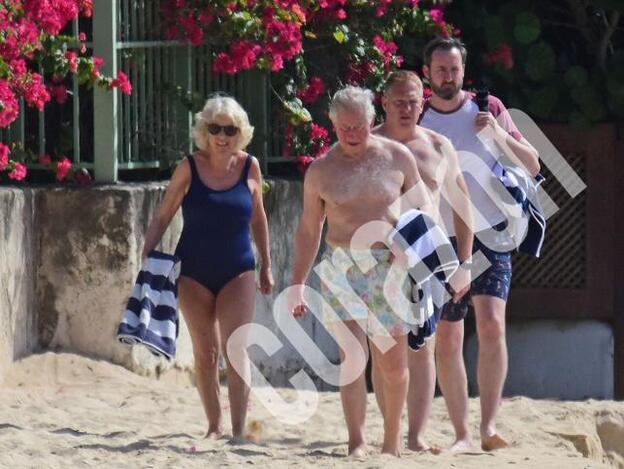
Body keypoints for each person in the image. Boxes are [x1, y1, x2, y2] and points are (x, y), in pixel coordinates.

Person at [289, 85, 434, 457]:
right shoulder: (321, 171)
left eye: (360, 126)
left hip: (390, 268)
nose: (352, 135)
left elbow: (425, 209)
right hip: (341, 266)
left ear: (372, 121)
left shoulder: (397, 157)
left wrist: (412, 251)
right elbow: (309, 230)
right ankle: (356, 440)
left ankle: (391, 441)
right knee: (351, 359)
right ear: (333, 124)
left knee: (393, 363)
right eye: (344, 127)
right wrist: (297, 285)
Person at [419, 36, 540, 452]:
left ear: (462, 72)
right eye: (441, 70)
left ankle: (489, 427)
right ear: (427, 74)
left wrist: (498, 136)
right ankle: (461, 434)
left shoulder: (490, 109)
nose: (448, 77)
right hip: (441, 238)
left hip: (490, 233)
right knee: (448, 334)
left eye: (454, 70)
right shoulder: (417, 116)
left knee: (490, 323)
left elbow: (533, 162)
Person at [141, 95, 274, 443]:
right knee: (206, 352)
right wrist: (146, 253)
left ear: (240, 133)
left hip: (239, 269)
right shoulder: (189, 167)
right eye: (215, 128)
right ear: (204, 130)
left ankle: (238, 429)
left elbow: (259, 219)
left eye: (230, 129)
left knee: (236, 348)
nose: (222, 135)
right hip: (193, 271)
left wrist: (267, 266)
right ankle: (214, 425)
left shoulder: (250, 167)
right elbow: (163, 213)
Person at [371, 70, 473, 452]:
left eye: (413, 101)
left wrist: (463, 264)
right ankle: (390, 431)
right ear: (384, 102)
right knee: (380, 349)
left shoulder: (438, 145)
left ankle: (414, 435)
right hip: (376, 256)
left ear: (422, 102)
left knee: (422, 345)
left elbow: (462, 207)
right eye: (399, 101)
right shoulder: (367, 143)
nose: (407, 109)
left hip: (426, 255)